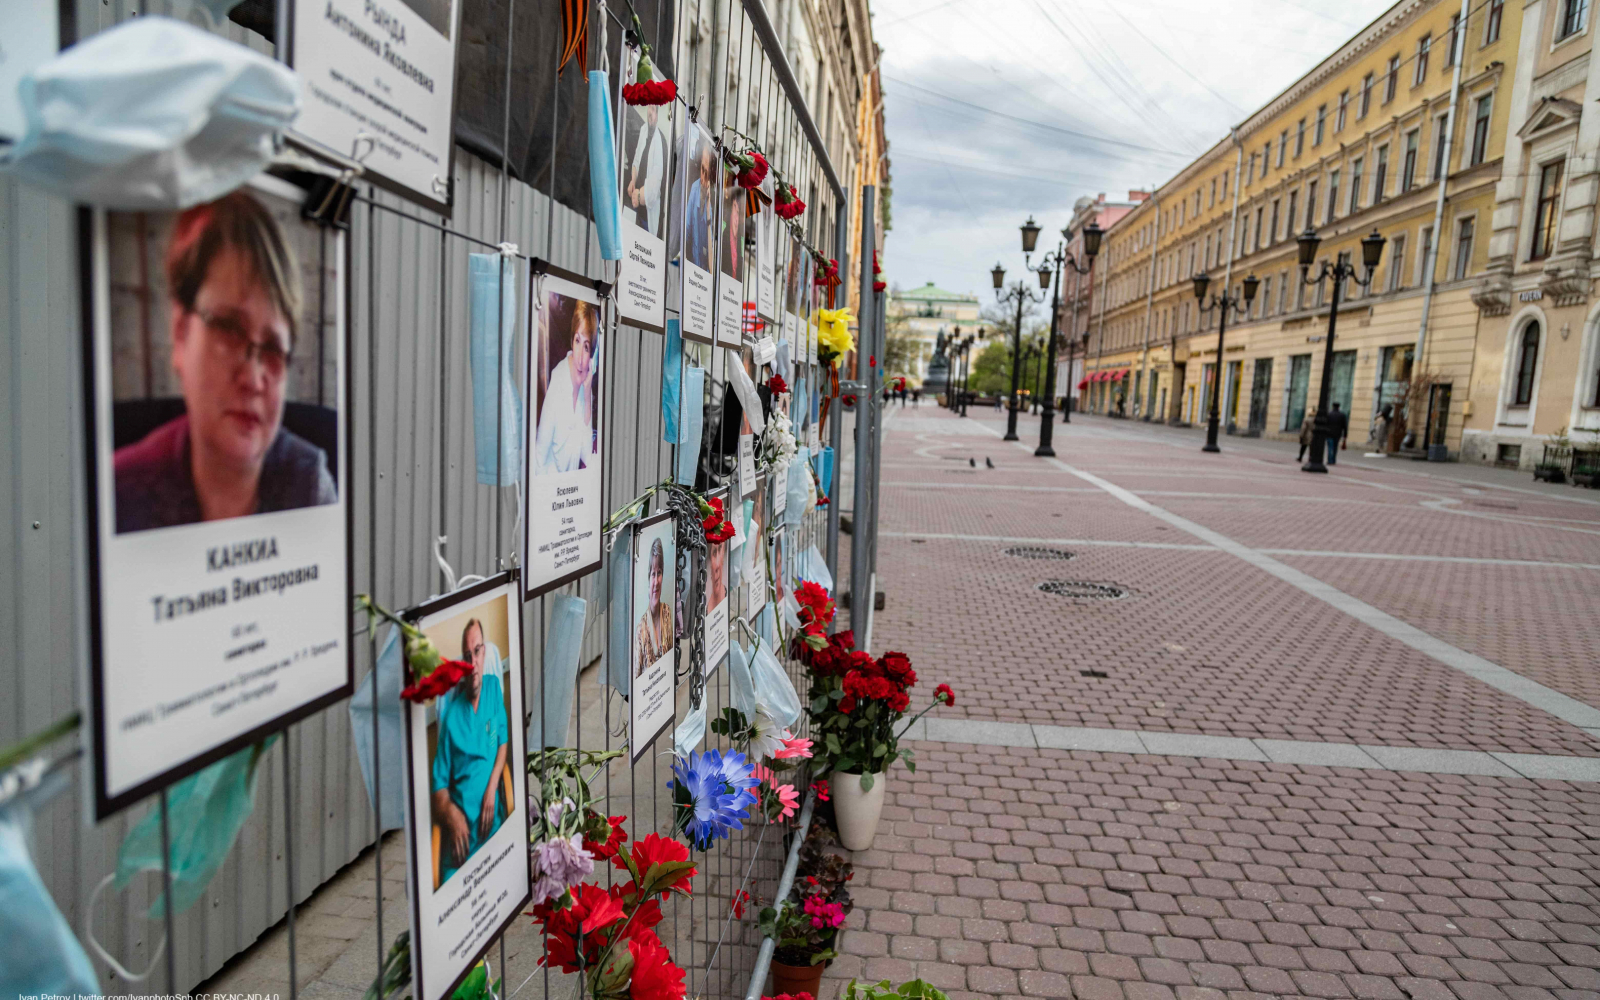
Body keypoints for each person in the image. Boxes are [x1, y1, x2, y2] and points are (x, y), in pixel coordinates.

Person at [114, 191, 336, 533]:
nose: (253, 377)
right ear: (181, 333)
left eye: (274, 349)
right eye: (230, 330)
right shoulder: (120, 493)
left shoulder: (309, 483)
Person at [430, 618, 509, 886]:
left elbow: (502, 742)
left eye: (477, 651)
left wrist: (492, 788)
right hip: (460, 848)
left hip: (493, 835)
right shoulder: (452, 717)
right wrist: (451, 813)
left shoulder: (493, 690)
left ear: (484, 652)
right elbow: (438, 787)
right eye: (466, 655)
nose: (472, 661)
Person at [534, 300, 599, 473]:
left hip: (570, 490)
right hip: (549, 484)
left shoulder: (585, 383)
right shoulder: (559, 379)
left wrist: (586, 395)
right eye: (577, 341)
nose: (579, 357)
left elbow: (586, 453)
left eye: (586, 347)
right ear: (571, 341)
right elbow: (539, 453)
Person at [625, 104, 667, 235]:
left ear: (658, 115)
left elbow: (654, 187)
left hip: (647, 217)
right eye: (650, 108)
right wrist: (633, 180)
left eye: (654, 110)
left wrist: (638, 195)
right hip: (635, 207)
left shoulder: (661, 143)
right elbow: (637, 160)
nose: (650, 113)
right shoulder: (643, 130)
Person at [636, 538, 674, 672]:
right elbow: (636, 677)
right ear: (648, 578)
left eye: (659, 573)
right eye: (653, 574)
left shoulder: (667, 612)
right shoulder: (641, 628)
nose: (656, 581)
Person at [685, 141, 713, 271]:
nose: (704, 178)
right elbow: (687, 229)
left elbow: (712, 247)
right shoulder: (695, 188)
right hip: (691, 268)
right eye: (702, 170)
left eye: (707, 173)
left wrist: (707, 210)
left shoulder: (712, 199)